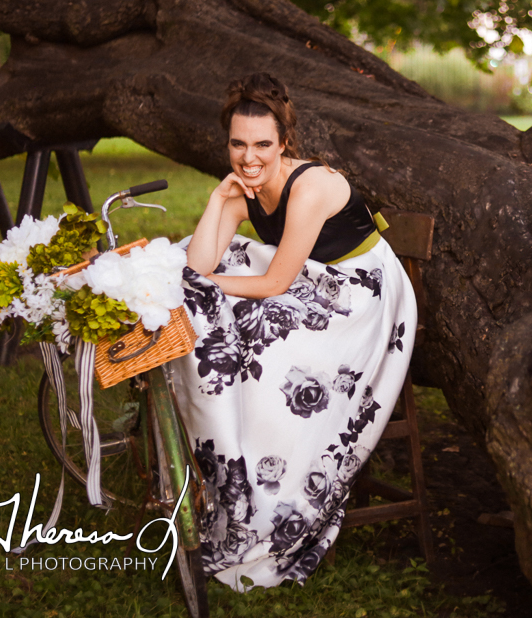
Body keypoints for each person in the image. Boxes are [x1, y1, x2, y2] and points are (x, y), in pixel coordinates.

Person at [173, 72, 417, 590]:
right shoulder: (240, 192)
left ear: (284, 142)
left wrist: (208, 286)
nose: (249, 158)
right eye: (238, 144)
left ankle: (275, 485)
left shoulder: (309, 187)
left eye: (262, 144)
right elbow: (197, 266)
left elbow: (274, 284)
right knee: (213, 305)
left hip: (361, 292)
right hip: (308, 277)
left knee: (259, 343)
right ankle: (231, 470)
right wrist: (218, 200)